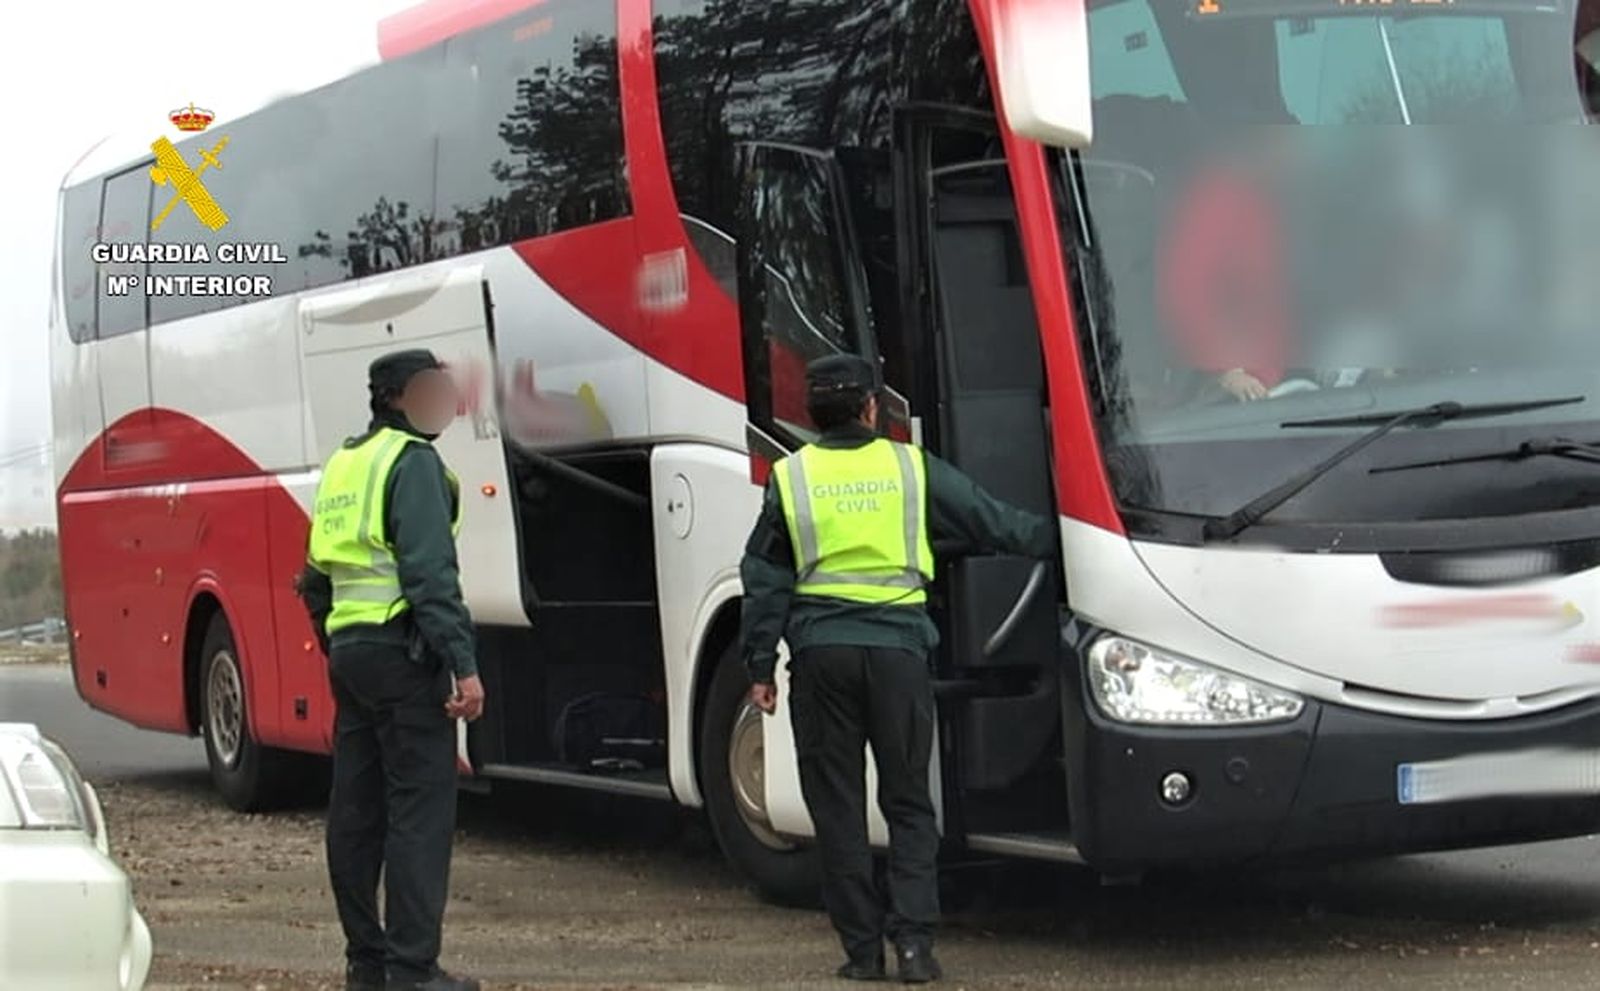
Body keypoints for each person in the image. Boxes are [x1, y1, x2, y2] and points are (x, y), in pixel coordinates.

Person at [739, 354, 1057, 984]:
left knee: (837, 809)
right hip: (898, 658)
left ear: (814, 414)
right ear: (870, 409)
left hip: (821, 658)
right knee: (908, 802)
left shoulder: (792, 476)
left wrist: (760, 666)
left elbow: (765, 577)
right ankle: (914, 947)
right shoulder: (909, 467)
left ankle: (862, 953)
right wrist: (1067, 537)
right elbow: (991, 519)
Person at [297, 348, 484, 991]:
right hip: (403, 657)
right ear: (400, 399)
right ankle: (411, 971)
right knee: (419, 814)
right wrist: (463, 664)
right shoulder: (413, 462)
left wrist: (338, 644)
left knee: (355, 815)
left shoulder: (345, 464)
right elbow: (430, 575)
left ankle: (366, 964)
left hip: (352, 656)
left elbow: (313, 578)